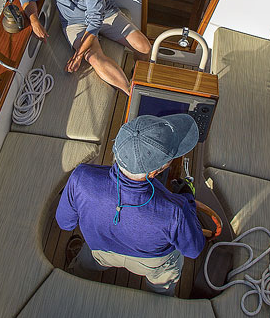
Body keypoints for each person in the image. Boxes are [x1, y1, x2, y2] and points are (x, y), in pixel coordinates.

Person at [55, 114, 205, 295]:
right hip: (152, 263)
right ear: (155, 172)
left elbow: (65, 223)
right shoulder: (176, 210)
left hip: (100, 250)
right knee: (165, 277)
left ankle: (78, 273)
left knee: (88, 262)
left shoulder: (81, 177)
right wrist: (188, 200)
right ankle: (160, 300)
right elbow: (193, 249)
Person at [19, 0, 151, 94]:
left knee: (144, 47)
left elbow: (95, 20)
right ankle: (130, 93)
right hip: (74, 23)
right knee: (95, 58)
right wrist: (34, 20)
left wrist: (78, 55)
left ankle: (137, 74)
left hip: (105, 14)